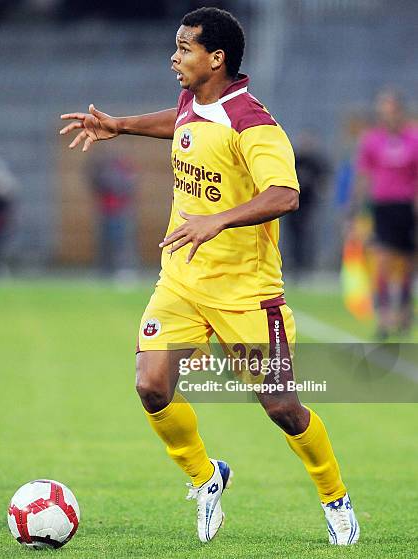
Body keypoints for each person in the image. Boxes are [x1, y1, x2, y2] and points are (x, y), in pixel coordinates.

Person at [60, 7, 358, 545]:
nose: (174, 57)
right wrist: (121, 125)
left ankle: (335, 497)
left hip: (247, 293)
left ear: (215, 58)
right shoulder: (192, 101)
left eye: (184, 48)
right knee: (151, 386)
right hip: (182, 281)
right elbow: (179, 126)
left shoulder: (253, 123)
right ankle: (206, 476)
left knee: (284, 408)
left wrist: (217, 219)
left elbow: (285, 194)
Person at [353, 90, 417, 339]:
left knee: (407, 263)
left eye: (390, 110)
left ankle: (403, 307)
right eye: (382, 111)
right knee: (382, 261)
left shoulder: (413, 138)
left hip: (407, 207)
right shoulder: (372, 140)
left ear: (399, 112)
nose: (386, 116)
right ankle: (384, 315)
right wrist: (355, 209)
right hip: (382, 207)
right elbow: (364, 175)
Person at [285, 130, 329, 278]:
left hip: (308, 204)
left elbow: (323, 180)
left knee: (306, 234)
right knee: (292, 235)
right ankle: (294, 264)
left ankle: (305, 264)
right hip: (291, 203)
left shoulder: (315, 161)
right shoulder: (294, 158)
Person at [89, 155, 137, 277]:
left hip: (120, 212)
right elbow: (96, 184)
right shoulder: (102, 170)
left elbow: (129, 187)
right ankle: (105, 269)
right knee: (105, 243)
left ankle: (123, 268)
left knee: (121, 242)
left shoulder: (124, 170)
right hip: (106, 212)